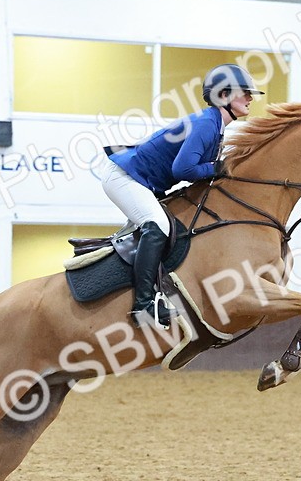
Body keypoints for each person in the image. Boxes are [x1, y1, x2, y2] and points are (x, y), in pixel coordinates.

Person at [101, 63, 262, 329]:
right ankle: (142, 307)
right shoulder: (207, 125)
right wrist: (220, 168)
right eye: (244, 92)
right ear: (223, 96)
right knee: (159, 226)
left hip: (140, 180)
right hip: (124, 178)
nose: (250, 98)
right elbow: (183, 169)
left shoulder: (216, 125)